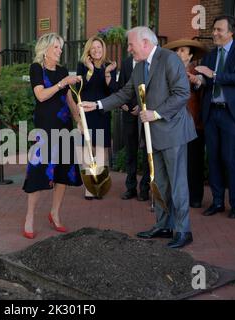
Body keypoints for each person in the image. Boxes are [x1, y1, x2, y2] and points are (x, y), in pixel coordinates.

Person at [82, 26, 196, 249]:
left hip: (173, 132)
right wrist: (96, 105)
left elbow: (182, 93)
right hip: (154, 135)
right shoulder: (139, 66)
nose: (128, 49)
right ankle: (164, 225)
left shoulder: (169, 59)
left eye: (131, 44)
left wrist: (156, 113)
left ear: (145, 43)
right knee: (159, 182)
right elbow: (125, 93)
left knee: (177, 184)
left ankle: (183, 230)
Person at [194, 15, 235, 219]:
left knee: (230, 159)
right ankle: (218, 202)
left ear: (231, 32)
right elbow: (206, 81)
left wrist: (213, 75)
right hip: (212, 113)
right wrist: (198, 80)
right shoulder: (210, 56)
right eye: (213, 29)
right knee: (213, 160)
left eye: (219, 30)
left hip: (232, 114)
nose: (214, 33)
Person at [22, 33, 83, 239]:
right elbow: (40, 95)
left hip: (64, 127)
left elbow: (69, 99)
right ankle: (29, 216)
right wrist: (62, 83)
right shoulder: (36, 69)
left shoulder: (63, 70)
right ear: (45, 49)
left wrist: (79, 120)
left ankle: (55, 213)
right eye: (56, 47)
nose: (60, 51)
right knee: (39, 172)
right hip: (45, 128)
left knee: (63, 174)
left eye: (61, 47)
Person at [163, 39, 208, 208]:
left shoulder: (196, 71)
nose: (178, 53)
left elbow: (202, 86)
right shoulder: (169, 72)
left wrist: (197, 81)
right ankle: (175, 197)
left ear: (190, 55)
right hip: (173, 124)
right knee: (176, 162)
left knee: (194, 162)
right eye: (176, 51)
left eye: (182, 50)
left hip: (194, 123)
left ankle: (195, 197)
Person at [76, 35, 118, 200]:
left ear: (103, 49)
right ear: (89, 50)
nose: (96, 50)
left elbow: (113, 91)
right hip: (87, 113)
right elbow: (79, 88)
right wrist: (91, 70)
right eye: (93, 48)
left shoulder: (109, 66)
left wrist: (107, 75)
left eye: (99, 48)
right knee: (88, 150)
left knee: (101, 150)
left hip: (101, 112)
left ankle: (99, 185)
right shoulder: (82, 65)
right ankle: (89, 187)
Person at [118, 55, 150, 202]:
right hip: (128, 113)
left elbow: (151, 86)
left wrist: (141, 104)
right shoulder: (125, 63)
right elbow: (123, 86)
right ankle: (130, 187)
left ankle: (145, 188)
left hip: (145, 112)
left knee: (146, 151)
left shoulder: (147, 62)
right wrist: (123, 104)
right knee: (131, 152)